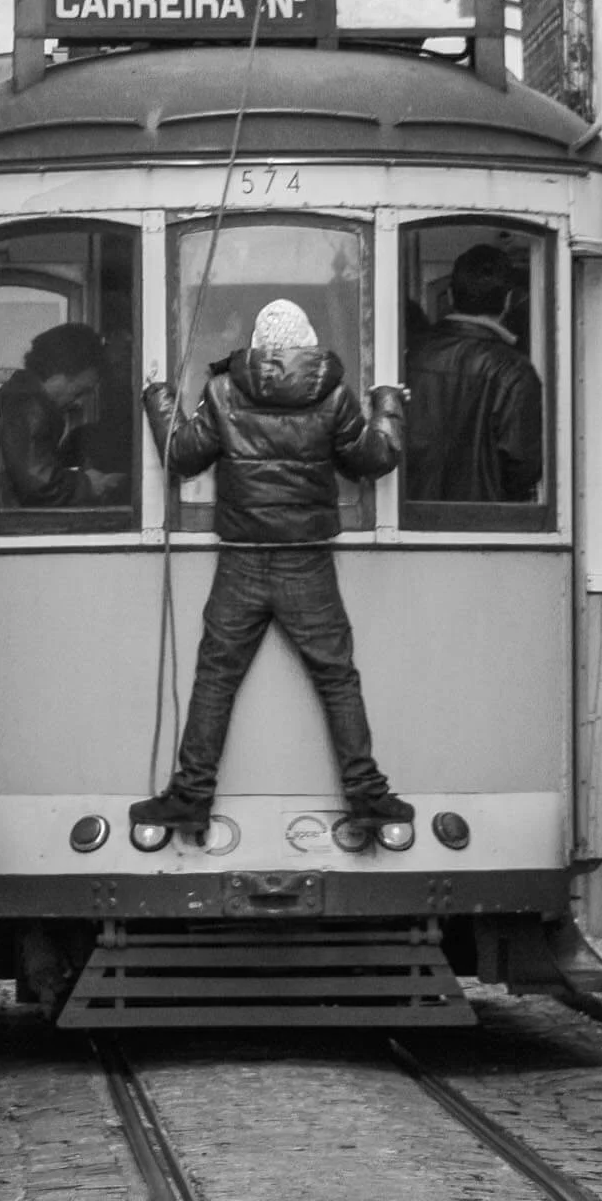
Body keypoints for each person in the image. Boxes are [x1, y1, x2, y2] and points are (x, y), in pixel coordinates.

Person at [132, 298, 412, 831]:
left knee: (215, 679)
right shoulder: (332, 395)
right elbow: (374, 459)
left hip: (241, 558)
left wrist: (159, 397)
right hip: (307, 560)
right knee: (336, 678)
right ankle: (368, 797)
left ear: (257, 346)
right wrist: (389, 402)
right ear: (308, 344)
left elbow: (183, 456)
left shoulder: (223, 390)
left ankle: (191, 797)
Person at [404, 243, 543, 503]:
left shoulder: (410, 357)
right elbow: (523, 466)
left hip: (411, 517)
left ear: (451, 296)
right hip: (484, 525)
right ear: (508, 300)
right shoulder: (515, 371)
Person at [0, 322, 124, 506]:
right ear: (58, 375)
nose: (79, 402)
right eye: (79, 392)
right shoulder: (28, 407)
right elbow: (39, 485)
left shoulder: (17, 398)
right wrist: (89, 485)